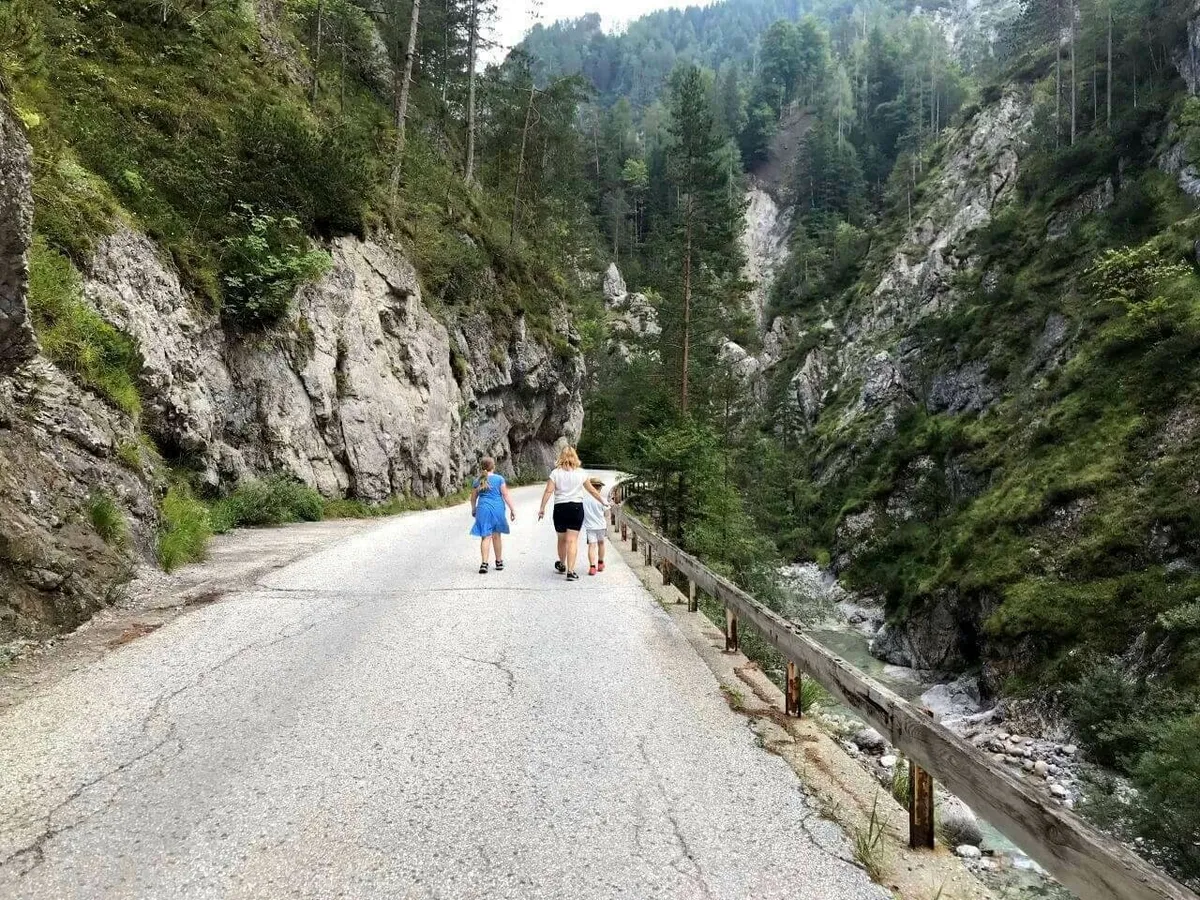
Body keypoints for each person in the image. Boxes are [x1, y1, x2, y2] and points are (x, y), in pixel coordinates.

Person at [537, 446, 605, 581]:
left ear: (561, 457)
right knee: (572, 540)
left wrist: (542, 508)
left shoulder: (555, 473)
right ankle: (571, 571)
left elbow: (548, 491)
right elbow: (592, 490)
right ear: (575, 457)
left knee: (561, 539)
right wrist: (603, 501)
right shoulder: (581, 473)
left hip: (560, 508)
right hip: (576, 508)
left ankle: (562, 564)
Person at [470, 457, 515, 574]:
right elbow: (505, 495)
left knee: (485, 536)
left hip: (483, 509)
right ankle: (499, 562)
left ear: (482, 467)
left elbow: (473, 497)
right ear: (493, 466)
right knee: (497, 536)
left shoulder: (478, 480)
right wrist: (512, 509)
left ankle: (484, 564)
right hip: (497, 509)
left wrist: (473, 509)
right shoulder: (499, 479)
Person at [582, 478, 609, 576]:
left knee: (591, 546)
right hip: (601, 526)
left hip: (590, 527)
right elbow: (607, 513)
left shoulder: (584, 500)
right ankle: (600, 563)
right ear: (599, 488)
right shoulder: (602, 500)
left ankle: (592, 567)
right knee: (601, 543)